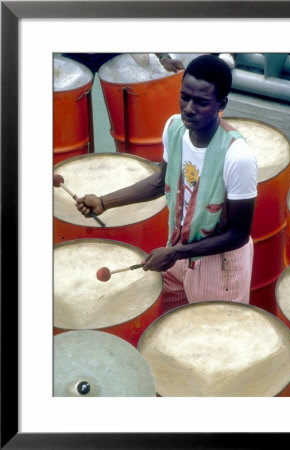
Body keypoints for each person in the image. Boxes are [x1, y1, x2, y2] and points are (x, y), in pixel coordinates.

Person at [76, 54, 258, 313]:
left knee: (207, 341)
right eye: (185, 97)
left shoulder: (237, 156)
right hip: (178, 249)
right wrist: (104, 203)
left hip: (218, 266)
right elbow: (161, 181)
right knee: (169, 329)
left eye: (201, 102)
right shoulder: (174, 128)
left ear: (221, 103)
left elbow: (238, 235)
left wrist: (174, 254)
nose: (189, 108)